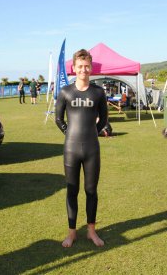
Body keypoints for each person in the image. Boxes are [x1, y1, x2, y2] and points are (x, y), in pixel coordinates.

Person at [55, 49, 108, 247]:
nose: (83, 70)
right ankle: (72, 233)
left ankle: (91, 232)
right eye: (80, 66)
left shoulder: (98, 92)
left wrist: (93, 132)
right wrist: (68, 133)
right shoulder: (66, 92)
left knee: (91, 190)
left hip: (92, 149)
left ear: (91, 68)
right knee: (72, 190)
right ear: (73, 68)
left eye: (87, 66)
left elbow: (104, 119)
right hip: (71, 148)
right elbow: (58, 118)